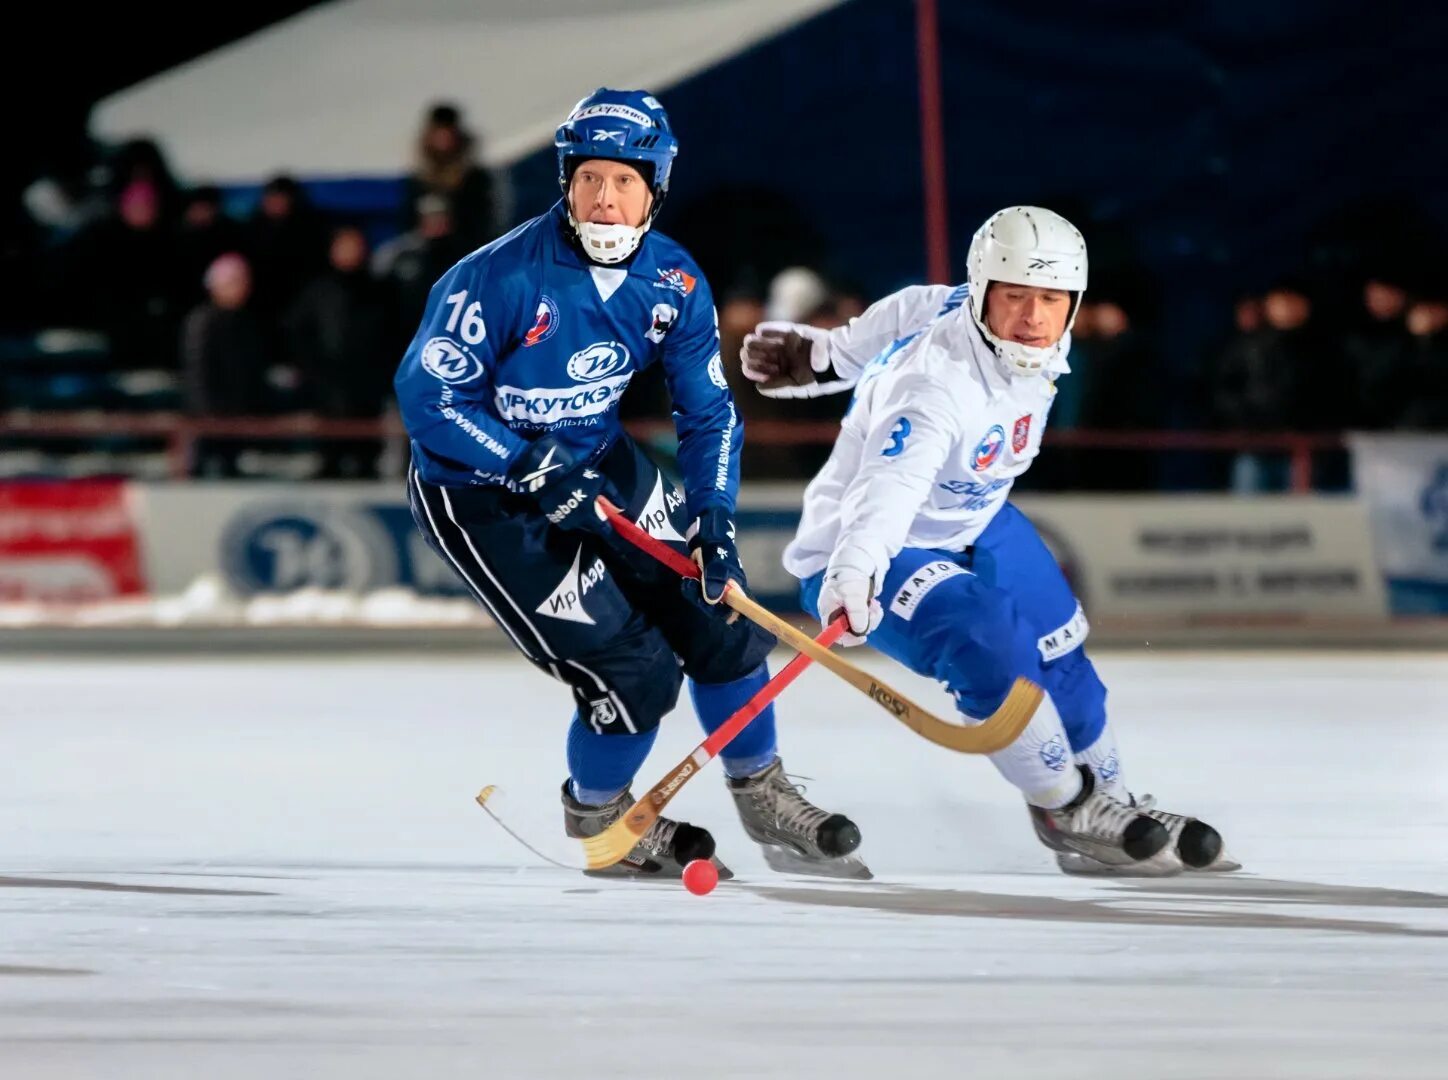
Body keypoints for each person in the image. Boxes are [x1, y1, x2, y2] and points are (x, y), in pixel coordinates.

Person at [393, 89, 866, 880]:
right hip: (480, 491)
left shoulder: (675, 281)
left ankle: (763, 793)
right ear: (566, 183)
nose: (605, 198)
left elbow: (710, 414)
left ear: (656, 186)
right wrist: (525, 466)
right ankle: (602, 813)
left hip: (594, 458)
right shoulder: (496, 279)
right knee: (634, 672)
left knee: (718, 618)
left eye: (623, 180)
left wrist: (713, 519)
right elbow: (430, 401)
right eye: (589, 179)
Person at [740, 206, 1238, 876]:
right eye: (1015, 298)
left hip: (973, 520)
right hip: (878, 545)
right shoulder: (937, 386)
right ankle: (1068, 810)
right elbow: (888, 487)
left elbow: (905, 309)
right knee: (989, 641)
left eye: (1051, 299)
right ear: (983, 294)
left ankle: (1112, 806)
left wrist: (824, 356)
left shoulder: (955, 305)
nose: (1034, 317)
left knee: (1063, 652)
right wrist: (854, 570)